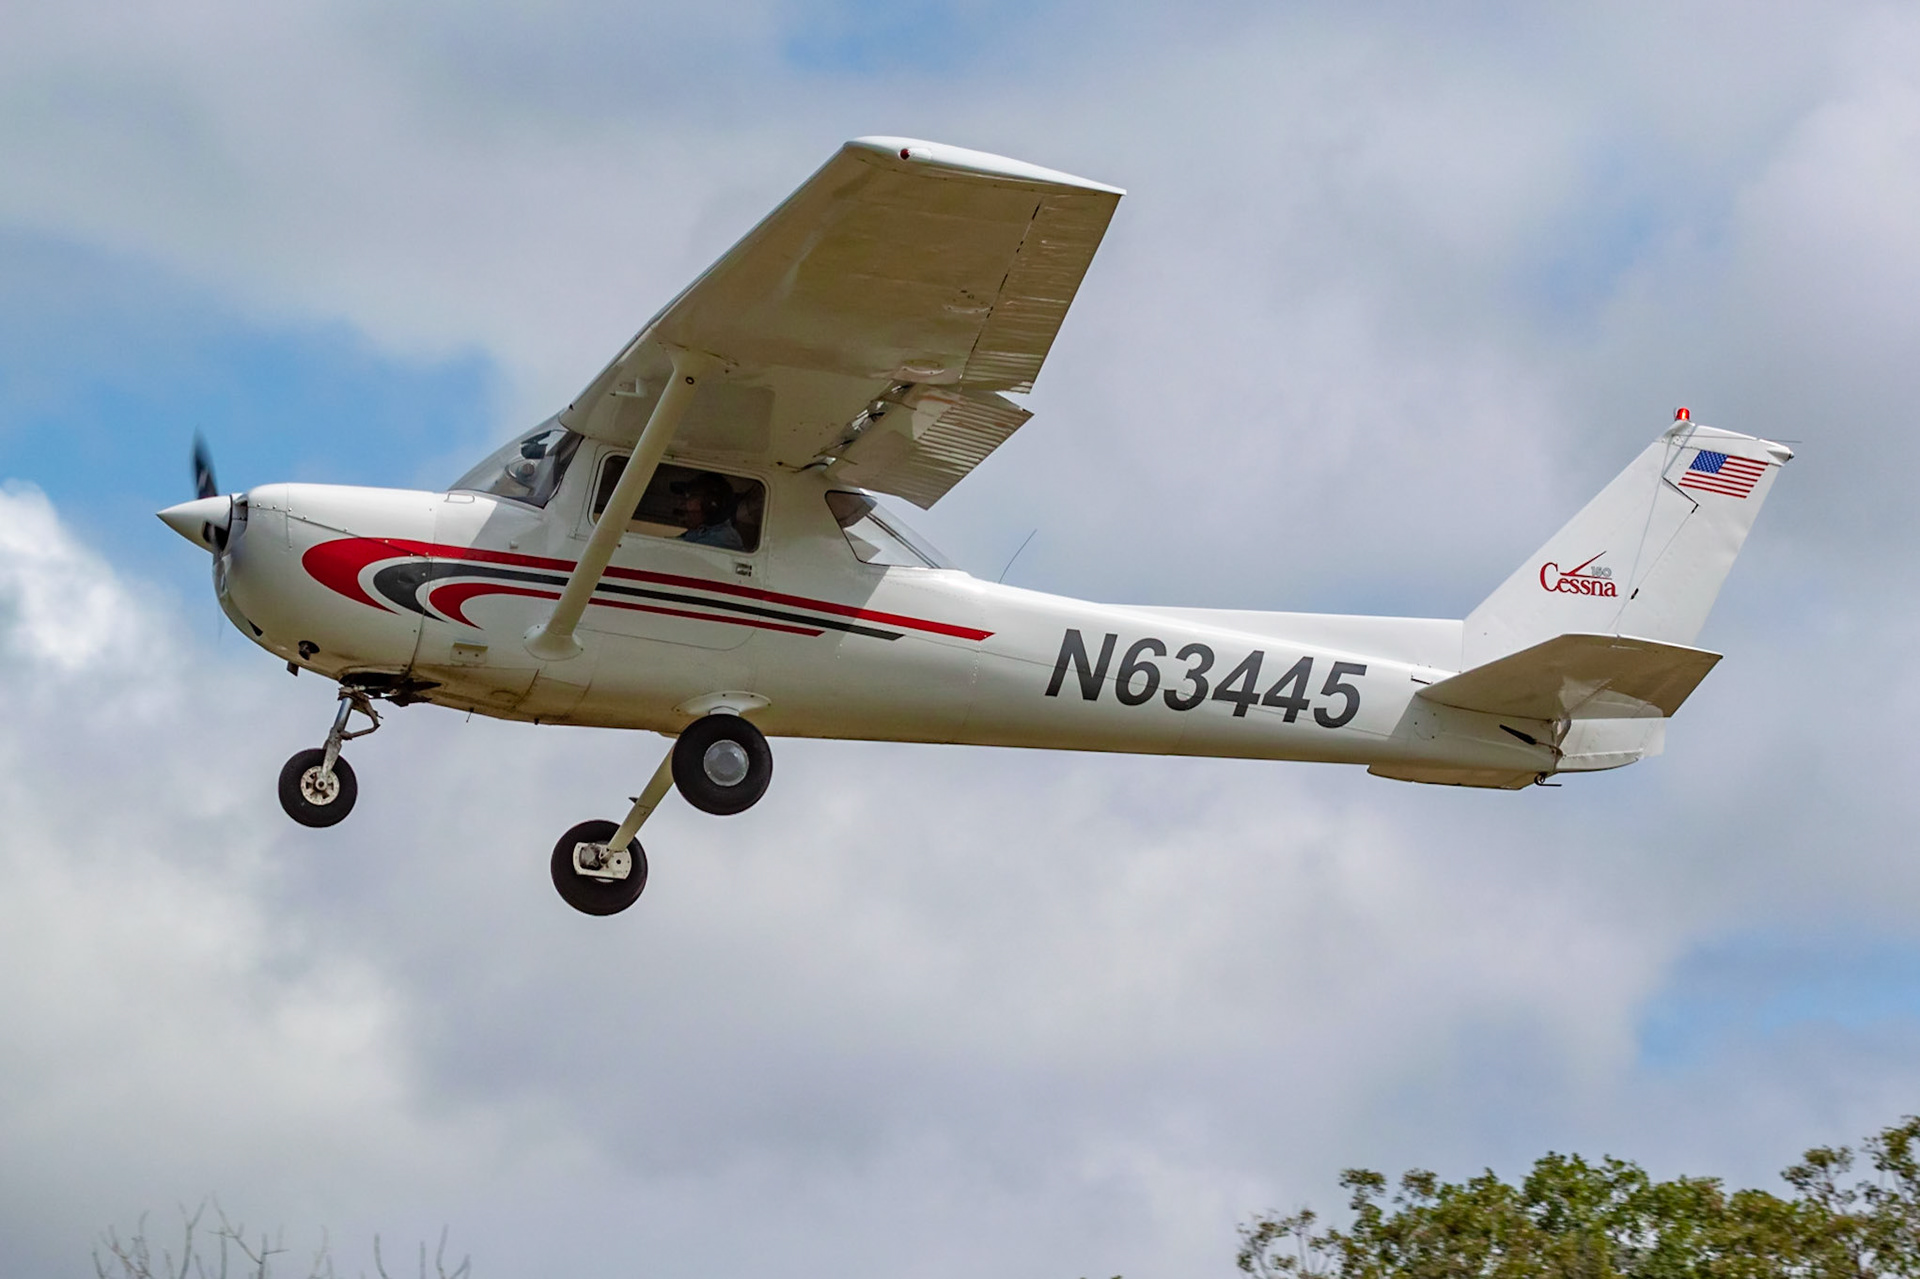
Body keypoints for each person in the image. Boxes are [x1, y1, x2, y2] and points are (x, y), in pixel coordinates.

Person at [673, 471, 745, 550]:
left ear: (710, 505)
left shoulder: (721, 540)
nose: (683, 504)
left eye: (690, 496)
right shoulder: (701, 531)